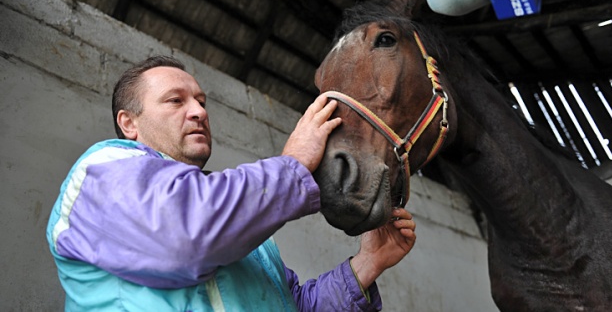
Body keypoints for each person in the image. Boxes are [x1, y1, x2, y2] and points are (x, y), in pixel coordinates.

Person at [46, 55, 416, 311]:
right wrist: (293, 164)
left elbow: (292, 306)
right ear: (129, 123)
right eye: (175, 100)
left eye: (202, 101)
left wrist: (368, 264)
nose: (199, 112)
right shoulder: (101, 171)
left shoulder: (245, 230)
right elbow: (187, 235)